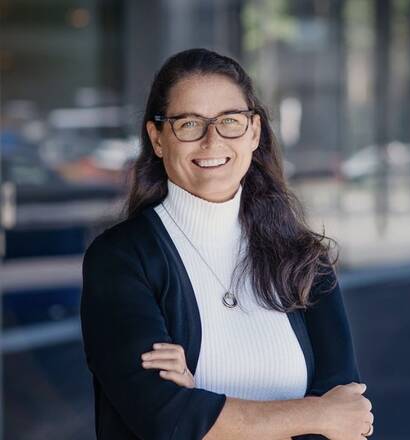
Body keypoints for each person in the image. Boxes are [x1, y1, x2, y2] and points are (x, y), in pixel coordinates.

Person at [80, 48, 374, 440]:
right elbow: (165, 420)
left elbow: (348, 415)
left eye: (230, 122)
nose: (211, 140)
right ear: (158, 138)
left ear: (254, 133)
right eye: (189, 124)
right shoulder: (119, 260)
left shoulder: (303, 260)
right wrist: (315, 414)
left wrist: (204, 406)